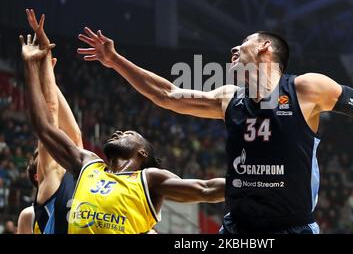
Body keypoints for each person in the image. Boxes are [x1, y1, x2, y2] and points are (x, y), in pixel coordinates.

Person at [77, 28, 353, 234]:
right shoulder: (229, 98)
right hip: (238, 228)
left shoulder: (306, 88)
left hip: (293, 227)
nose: (233, 50)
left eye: (243, 45)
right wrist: (115, 61)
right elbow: (168, 94)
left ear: (266, 48)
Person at [20, 34, 225, 234]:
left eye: (129, 133)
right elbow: (45, 128)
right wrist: (30, 66)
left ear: (143, 153)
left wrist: (253, 182)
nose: (118, 132)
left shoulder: (150, 179)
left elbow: (205, 188)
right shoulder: (88, 164)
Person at [16, 9, 83, 234]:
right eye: (41, 155)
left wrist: (49, 78)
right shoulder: (52, 180)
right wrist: (42, 61)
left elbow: (74, 135)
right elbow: (50, 117)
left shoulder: (77, 175)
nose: (45, 151)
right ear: (38, 175)